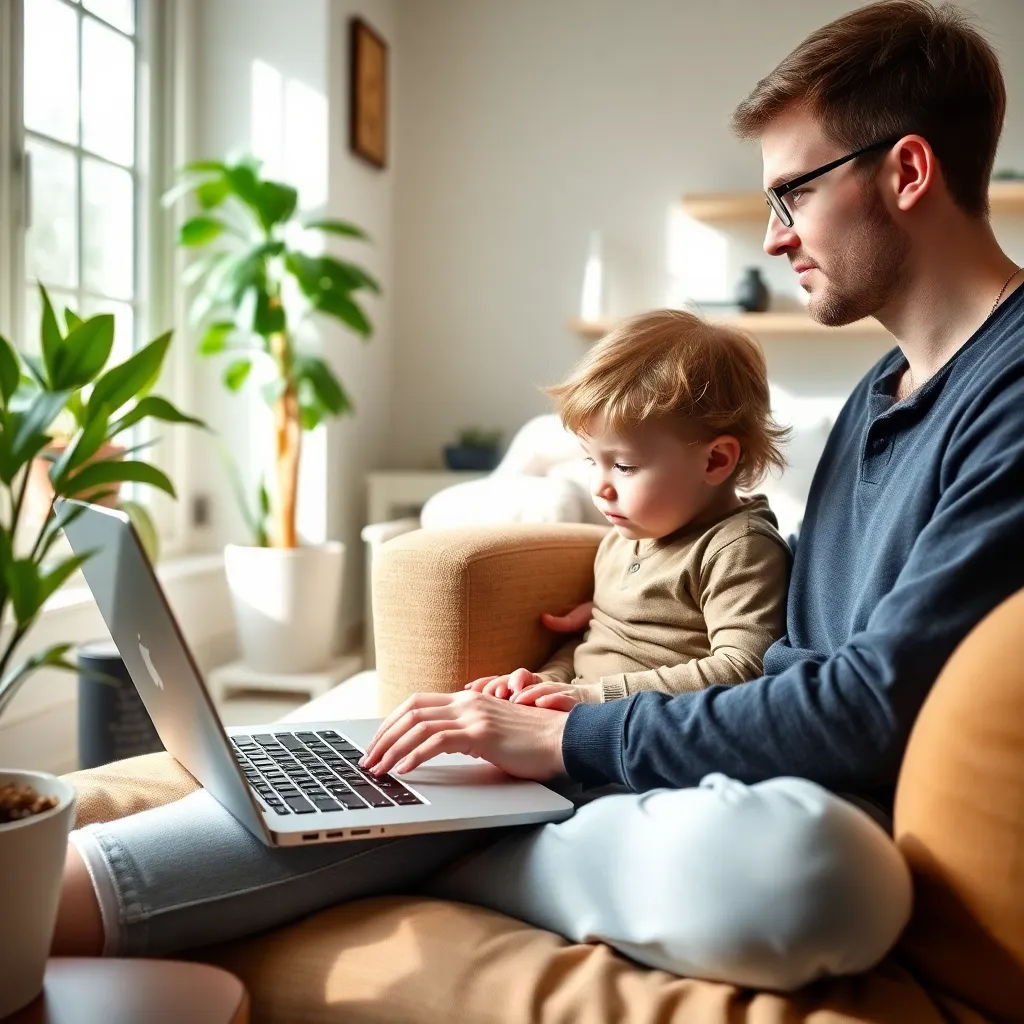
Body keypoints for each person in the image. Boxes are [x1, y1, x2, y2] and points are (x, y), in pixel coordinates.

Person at [53, 0, 1024, 992]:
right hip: (739, 759)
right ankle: (57, 892)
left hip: (807, 796)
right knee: (372, 750)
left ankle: (463, 846)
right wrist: (608, 634)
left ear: (907, 171)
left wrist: (567, 733)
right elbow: (799, 634)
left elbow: (869, 704)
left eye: (793, 194)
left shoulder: (1011, 391)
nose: (775, 239)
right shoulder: (881, 389)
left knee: (824, 877)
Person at [464, 308, 792, 711]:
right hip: (580, 719)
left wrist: (592, 696)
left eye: (624, 466)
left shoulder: (739, 549)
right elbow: (596, 644)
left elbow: (744, 668)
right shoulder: (621, 541)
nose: (599, 487)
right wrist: (546, 681)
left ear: (715, 461)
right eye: (592, 461)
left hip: (641, 735)